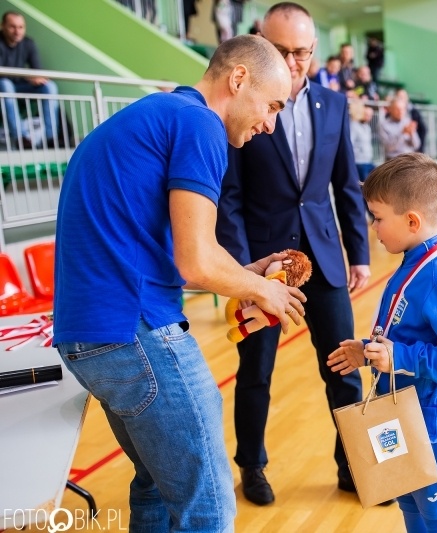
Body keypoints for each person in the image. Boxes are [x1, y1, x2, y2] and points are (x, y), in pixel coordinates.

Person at [53, 36, 305, 532]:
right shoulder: (199, 124)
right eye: (272, 105)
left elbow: (165, 256)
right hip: (135, 332)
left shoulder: (159, 113)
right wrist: (264, 291)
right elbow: (196, 263)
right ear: (238, 79)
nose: (271, 124)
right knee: (208, 508)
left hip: (89, 338)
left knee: (158, 489)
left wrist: (245, 275)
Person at [215, 2, 371, 506]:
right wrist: (243, 271)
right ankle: (253, 466)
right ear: (260, 44)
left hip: (324, 259)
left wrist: (359, 253)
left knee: (343, 368)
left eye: (300, 51)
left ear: (313, 50)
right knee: (256, 373)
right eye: (280, 50)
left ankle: (353, 466)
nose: (292, 60)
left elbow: (346, 185)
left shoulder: (335, 104)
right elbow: (230, 195)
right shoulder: (244, 105)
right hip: (263, 264)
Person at [328, 152, 437, 533]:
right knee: (411, 510)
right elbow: (405, 334)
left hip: (433, 424)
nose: (373, 227)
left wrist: (397, 355)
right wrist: (368, 351)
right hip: (401, 414)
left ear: (412, 220)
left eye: (378, 218)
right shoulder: (412, 263)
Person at [0, 11, 60, 149]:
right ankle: (21, 138)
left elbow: (38, 71)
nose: (17, 31)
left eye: (21, 27)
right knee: (6, 84)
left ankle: (51, 138)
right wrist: (28, 76)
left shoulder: (28, 43)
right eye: (12, 27)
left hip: (20, 85)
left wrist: (37, 77)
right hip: (4, 86)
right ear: (2, 26)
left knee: (49, 87)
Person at [380, 96, 420, 160]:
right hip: (393, 161)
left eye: (402, 109)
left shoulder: (407, 121)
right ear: (390, 109)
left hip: (409, 160)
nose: (400, 112)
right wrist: (402, 133)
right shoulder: (384, 125)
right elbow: (389, 148)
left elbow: (416, 145)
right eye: (397, 109)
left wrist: (411, 134)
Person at [349, 100, 375, 183]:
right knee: (364, 187)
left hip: (368, 161)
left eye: (370, 115)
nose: (369, 117)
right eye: (367, 115)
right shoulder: (354, 125)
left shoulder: (367, 127)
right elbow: (350, 143)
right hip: (359, 162)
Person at [395, 89, 426, 153]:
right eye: (399, 97)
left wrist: (420, 149)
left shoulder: (413, 111)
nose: (401, 99)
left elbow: (423, 129)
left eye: (403, 97)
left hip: (412, 146)